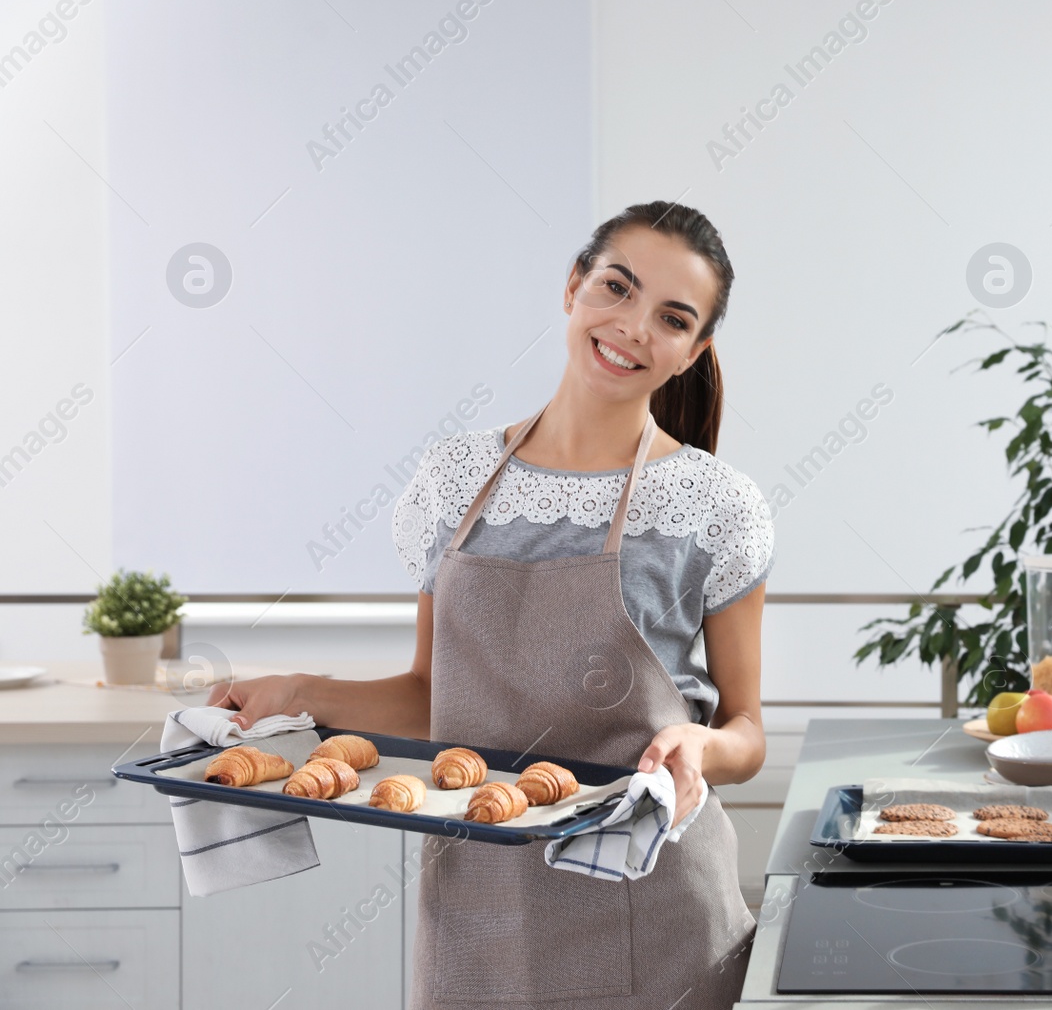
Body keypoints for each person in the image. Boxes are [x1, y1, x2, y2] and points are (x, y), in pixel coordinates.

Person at [211, 201, 771, 1008]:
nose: (633, 326)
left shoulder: (713, 503)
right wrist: (299, 694)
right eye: (616, 287)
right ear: (574, 286)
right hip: (479, 905)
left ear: (694, 351)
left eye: (672, 318)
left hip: (658, 911)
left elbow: (746, 733)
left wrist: (698, 747)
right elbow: (433, 697)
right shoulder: (455, 479)